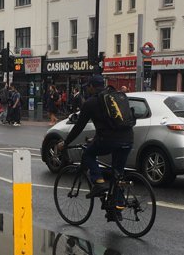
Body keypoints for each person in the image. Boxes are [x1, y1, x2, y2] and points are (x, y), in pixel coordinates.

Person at [56, 75, 134, 206]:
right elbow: (112, 122)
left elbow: (78, 127)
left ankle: (98, 182)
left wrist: (66, 143)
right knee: (118, 173)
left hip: (110, 140)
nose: (87, 90)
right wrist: (96, 137)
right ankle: (117, 207)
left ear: (91, 87)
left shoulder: (91, 103)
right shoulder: (115, 96)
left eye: (88, 87)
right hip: (128, 138)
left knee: (88, 154)